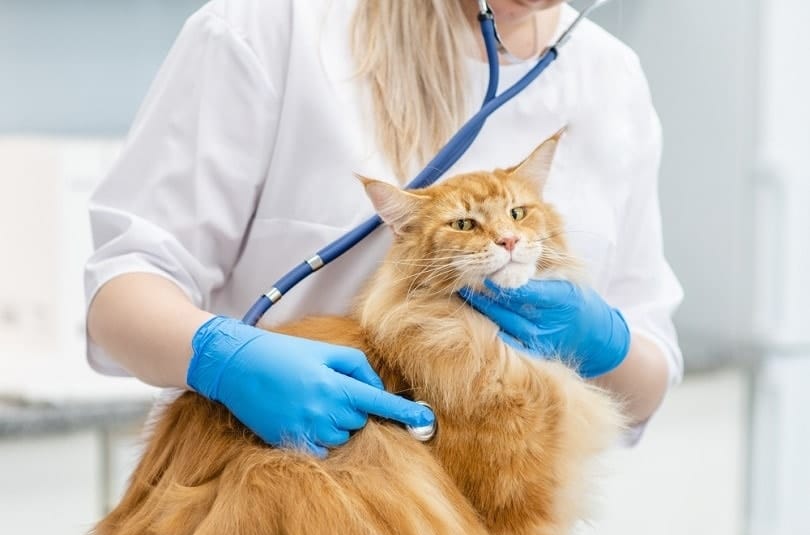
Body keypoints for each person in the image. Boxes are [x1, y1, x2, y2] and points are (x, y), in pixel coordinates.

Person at [85, 0, 683, 455]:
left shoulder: (611, 76)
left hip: (500, 522)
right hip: (287, 492)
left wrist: (606, 342)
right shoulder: (272, 25)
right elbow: (123, 292)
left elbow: (643, 389)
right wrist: (226, 358)